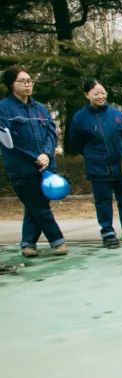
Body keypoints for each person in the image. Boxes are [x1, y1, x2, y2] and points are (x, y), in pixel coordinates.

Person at [66, 79, 122, 248]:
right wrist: (92, 154)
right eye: (96, 93)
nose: (101, 96)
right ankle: (108, 233)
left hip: (121, 163)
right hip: (98, 166)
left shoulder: (117, 114)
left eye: (103, 93)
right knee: (103, 201)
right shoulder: (80, 118)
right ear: (87, 95)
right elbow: (76, 143)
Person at [0, 66, 67, 257]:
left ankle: (28, 244)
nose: (27, 84)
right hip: (22, 168)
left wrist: (46, 154)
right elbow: (10, 142)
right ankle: (57, 241)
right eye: (22, 81)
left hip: (46, 167)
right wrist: (34, 158)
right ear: (11, 84)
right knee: (38, 206)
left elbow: (51, 133)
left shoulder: (41, 108)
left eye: (29, 81)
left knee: (35, 206)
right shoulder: (3, 108)